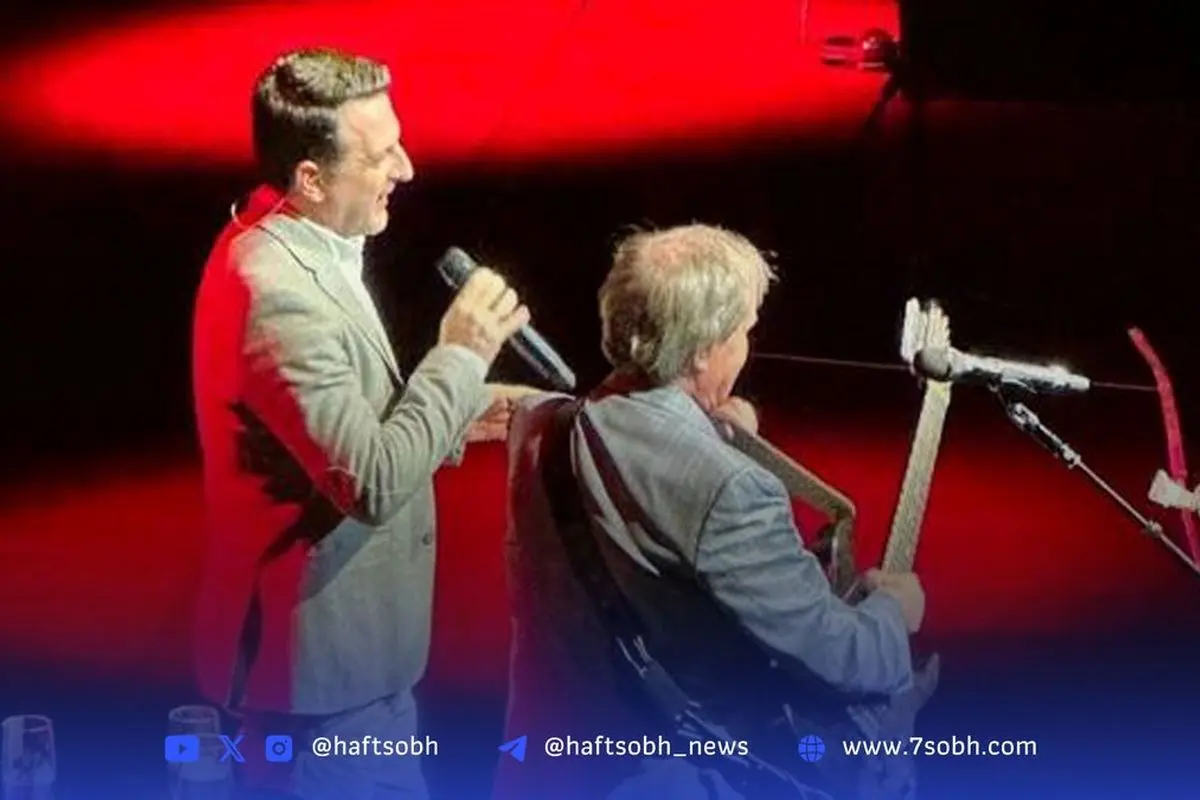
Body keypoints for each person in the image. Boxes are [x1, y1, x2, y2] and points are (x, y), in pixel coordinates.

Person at [191, 47, 537, 799]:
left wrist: (463, 412)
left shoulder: (305, 241)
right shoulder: (274, 292)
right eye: (381, 156)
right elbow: (368, 481)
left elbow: (334, 434)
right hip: (317, 693)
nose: (405, 170)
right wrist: (459, 354)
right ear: (311, 179)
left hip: (353, 680)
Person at [495, 224, 925, 800]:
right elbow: (837, 657)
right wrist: (895, 612)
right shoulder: (732, 489)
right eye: (744, 330)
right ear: (701, 351)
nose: (747, 347)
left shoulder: (537, 426)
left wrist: (709, 430)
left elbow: (640, 457)